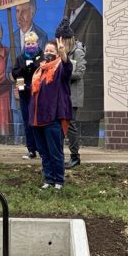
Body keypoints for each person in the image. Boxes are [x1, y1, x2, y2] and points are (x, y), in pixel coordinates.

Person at [29, 38, 73, 191]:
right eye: (46, 51)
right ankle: (48, 179)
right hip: (37, 118)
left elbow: (68, 70)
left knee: (55, 152)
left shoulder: (60, 68)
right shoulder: (39, 70)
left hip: (53, 118)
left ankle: (59, 181)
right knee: (44, 152)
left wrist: (63, 54)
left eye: (51, 51)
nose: (48, 53)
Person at [64, 0, 103, 145]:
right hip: (74, 85)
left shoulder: (93, 17)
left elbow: (93, 53)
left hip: (88, 84)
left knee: (87, 131)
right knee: (74, 127)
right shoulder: (68, 14)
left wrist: (69, 61)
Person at [55, 19, 86, 168]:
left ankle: (75, 156)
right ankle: (60, 154)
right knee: (61, 125)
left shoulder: (78, 51)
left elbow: (79, 73)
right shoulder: (60, 52)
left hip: (73, 94)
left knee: (71, 125)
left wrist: (64, 72)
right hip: (61, 94)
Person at [11, 30, 42, 160]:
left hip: (39, 94)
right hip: (24, 94)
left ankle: (42, 149)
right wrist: (24, 68)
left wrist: (34, 65)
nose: (30, 45)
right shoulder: (20, 58)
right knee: (27, 122)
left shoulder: (42, 57)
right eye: (27, 43)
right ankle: (31, 150)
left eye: (32, 43)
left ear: (37, 43)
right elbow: (15, 73)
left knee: (39, 122)